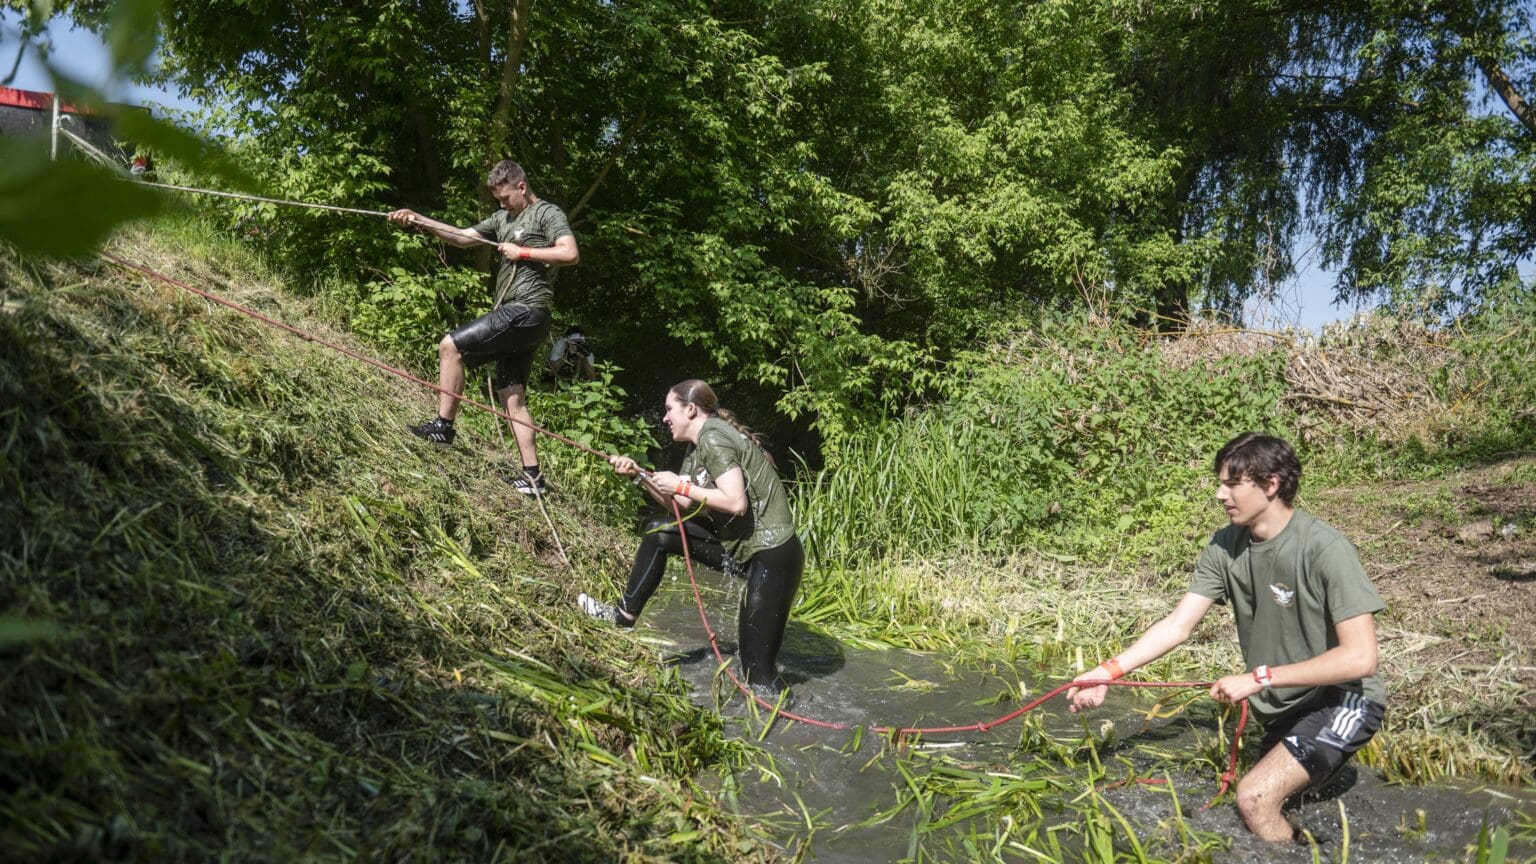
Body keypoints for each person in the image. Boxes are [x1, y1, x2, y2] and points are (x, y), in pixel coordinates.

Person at [1066, 432, 1385, 843]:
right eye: (1220, 483)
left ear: (1271, 484)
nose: (1220, 494)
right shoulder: (1224, 546)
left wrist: (1258, 678)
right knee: (1263, 805)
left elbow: (1360, 658)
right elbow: (1177, 626)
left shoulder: (1326, 550)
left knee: (1253, 798)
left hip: (1343, 699)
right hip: (1283, 709)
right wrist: (1107, 672)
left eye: (1232, 484)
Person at [579, 380, 804, 695]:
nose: (665, 418)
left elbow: (735, 502)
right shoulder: (697, 447)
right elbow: (682, 505)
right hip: (742, 548)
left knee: (759, 677)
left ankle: (785, 724)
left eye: (669, 409)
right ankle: (621, 616)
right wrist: (639, 476)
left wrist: (680, 486)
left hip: (774, 557)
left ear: (690, 408)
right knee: (661, 532)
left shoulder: (713, 436)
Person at [386, 160, 579, 495]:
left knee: (451, 346)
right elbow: (461, 238)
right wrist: (418, 220)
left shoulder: (547, 213)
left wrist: (524, 252)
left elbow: (570, 252)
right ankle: (533, 478)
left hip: (526, 310)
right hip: (521, 318)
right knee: (512, 396)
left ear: (521, 186)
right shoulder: (502, 219)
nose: (502, 205)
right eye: (497, 200)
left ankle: (443, 427)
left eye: (505, 197)